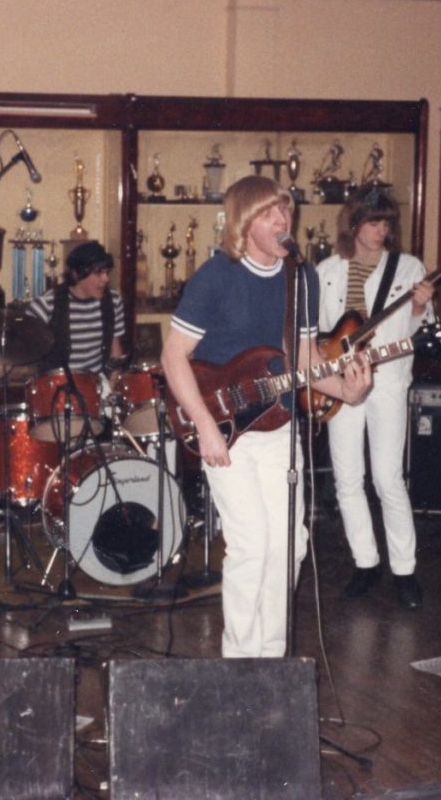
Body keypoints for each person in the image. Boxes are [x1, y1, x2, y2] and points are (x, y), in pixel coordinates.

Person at [161, 175, 372, 658]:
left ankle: (271, 663)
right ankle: (239, 661)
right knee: (252, 545)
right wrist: (206, 426)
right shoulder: (216, 277)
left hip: (279, 428)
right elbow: (174, 357)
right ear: (244, 222)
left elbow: (302, 362)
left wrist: (347, 390)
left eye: (287, 212)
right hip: (225, 429)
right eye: (270, 214)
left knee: (289, 547)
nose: (283, 222)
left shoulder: (303, 277)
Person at [317, 190, 434, 609]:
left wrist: (420, 308)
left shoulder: (408, 267)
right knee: (348, 479)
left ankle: (405, 570)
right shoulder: (327, 270)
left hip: (387, 379)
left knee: (388, 478)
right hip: (338, 382)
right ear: (353, 224)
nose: (381, 231)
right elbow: (317, 335)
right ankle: (365, 562)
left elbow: (424, 328)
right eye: (372, 222)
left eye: (386, 223)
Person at [0, 240, 126, 402]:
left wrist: (110, 388)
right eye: (98, 273)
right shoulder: (48, 304)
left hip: (96, 390)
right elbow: (11, 351)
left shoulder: (113, 301)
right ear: (77, 274)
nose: (105, 279)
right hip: (57, 393)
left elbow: (115, 351)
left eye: (106, 272)